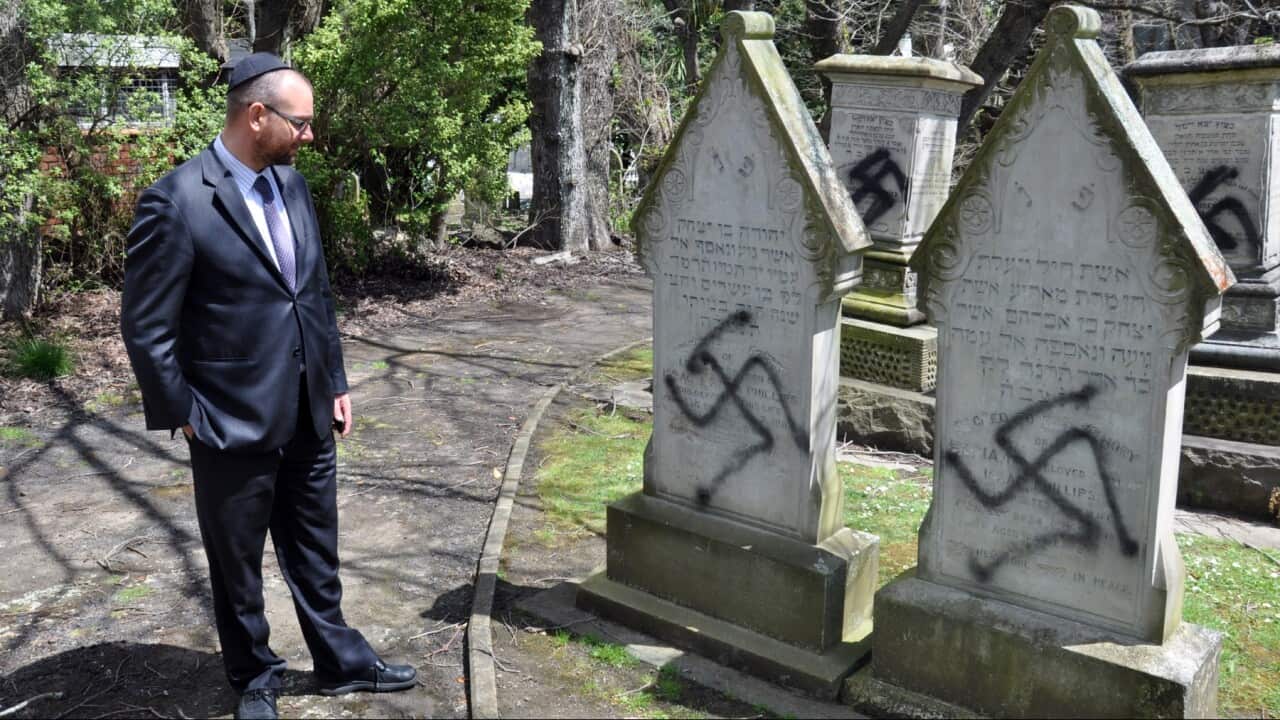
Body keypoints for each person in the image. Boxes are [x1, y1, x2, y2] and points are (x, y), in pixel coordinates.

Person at [120, 53, 415, 720]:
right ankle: (254, 674)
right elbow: (146, 327)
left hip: (309, 408)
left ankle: (341, 661)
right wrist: (185, 412)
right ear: (258, 116)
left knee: (316, 545)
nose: (309, 136)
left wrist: (334, 378)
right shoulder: (177, 200)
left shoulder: (293, 187)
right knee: (237, 562)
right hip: (228, 419)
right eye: (301, 123)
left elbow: (312, 293)